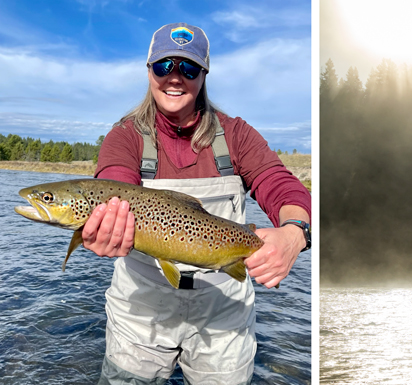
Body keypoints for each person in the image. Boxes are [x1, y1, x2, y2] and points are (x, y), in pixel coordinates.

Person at [82, 23, 311, 384]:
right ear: (148, 71)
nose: (175, 78)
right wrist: (108, 222)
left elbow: (280, 185)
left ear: (203, 75)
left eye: (188, 69)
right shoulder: (124, 136)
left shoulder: (236, 135)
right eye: (164, 66)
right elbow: (115, 184)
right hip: (141, 312)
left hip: (223, 312)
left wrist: (295, 233)